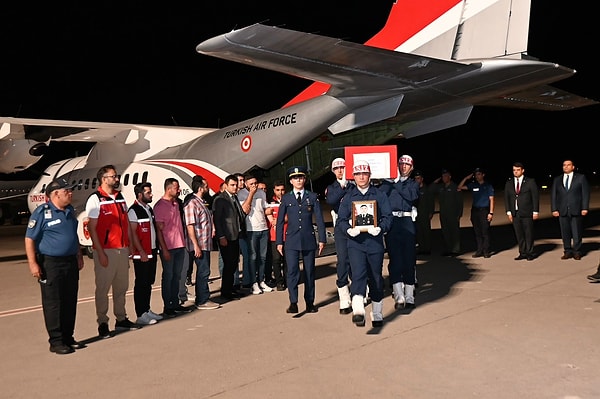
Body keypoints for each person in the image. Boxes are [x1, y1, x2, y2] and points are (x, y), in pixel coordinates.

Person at [25, 178, 85, 354]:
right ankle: (56, 341)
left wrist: (78, 254)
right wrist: (33, 263)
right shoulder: (41, 213)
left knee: (70, 300)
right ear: (55, 194)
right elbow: (29, 238)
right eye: (67, 191)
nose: (71, 193)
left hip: (70, 262)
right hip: (51, 263)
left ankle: (68, 337)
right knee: (53, 302)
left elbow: (73, 235)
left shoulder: (69, 211)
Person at [85, 165, 141, 338]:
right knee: (103, 289)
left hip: (122, 249)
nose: (117, 179)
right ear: (104, 179)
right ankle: (102, 322)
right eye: (114, 176)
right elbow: (92, 229)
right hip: (107, 251)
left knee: (121, 287)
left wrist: (129, 245)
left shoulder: (120, 197)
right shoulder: (95, 199)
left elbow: (124, 223)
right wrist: (100, 252)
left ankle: (121, 318)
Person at [338, 160, 392, 327]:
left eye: (365, 173)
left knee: (375, 278)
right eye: (358, 174)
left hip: (374, 243)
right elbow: (341, 219)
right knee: (358, 274)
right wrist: (348, 229)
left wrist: (381, 228)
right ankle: (358, 309)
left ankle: (377, 312)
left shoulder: (379, 195)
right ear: (353, 177)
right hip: (356, 243)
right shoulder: (349, 197)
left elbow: (388, 217)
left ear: (369, 176)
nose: (362, 177)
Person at [276, 166, 326, 314]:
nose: (298, 180)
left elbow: (320, 219)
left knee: (309, 272)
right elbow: (279, 222)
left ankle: (310, 302)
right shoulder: (286, 198)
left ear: (304, 179)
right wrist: (279, 241)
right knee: (292, 271)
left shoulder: (312, 197)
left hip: (308, 239)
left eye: (301, 177)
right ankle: (293, 302)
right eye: (295, 178)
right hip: (291, 240)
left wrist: (322, 239)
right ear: (291, 181)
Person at [379, 155, 420, 310]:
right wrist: (389, 181)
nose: (403, 167)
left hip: (407, 222)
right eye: (401, 164)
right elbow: (379, 196)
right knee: (395, 260)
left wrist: (396, 182)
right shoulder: (386, 184)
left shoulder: (413, 184)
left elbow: (411, 196)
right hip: (393, 223)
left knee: (409, 259)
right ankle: (399, 295)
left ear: (411, 168)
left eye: (407, 164)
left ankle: (409, 295)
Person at [154, 178, 193, 316]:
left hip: (180, 245)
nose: (179, 190)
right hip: (169, 247)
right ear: (169, 189)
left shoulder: (176, 204)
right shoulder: (159, 206)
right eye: (176, 187)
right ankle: (168, 305)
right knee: (168, 276)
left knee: (177, 276)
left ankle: (175, 303)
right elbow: (159, 230)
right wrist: (164, 249)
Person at [128, 182, 164, 325]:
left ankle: (147, 309)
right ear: (140, 194)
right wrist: (141, 251)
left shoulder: (149, 208)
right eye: (148, 192)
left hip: (152, 250)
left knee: (149, 281)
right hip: (141, 253)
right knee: (141, 282)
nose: (151, 195)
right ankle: (140, 314)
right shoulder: (133, 211)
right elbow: (132, 233)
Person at [184, 175, 220, 310]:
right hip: (198, 244)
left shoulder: (201, 202)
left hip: (205, 242)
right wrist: (196, 245)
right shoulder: (192, 203)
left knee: (204, 271)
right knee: (203, 271)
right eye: (205, 186)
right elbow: (190, 225)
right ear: (200, 188)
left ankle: (203, 297)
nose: (208, 188)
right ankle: (202, 300)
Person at [325, 157, 354, 314]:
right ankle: (344, 295)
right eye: (337, 168)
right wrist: (343, 186)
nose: (340, 170)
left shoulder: (354, 184)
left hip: (356, 226)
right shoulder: (332, 187)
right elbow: (331, 200)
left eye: (342, 167)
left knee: (358, 259)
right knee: (343, 261)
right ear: (333, 171)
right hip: (341, 228)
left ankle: (359, 290)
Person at [213, 174, 247, 301]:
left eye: (236, 185)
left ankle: (231, 288)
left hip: (235, 234)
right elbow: (218, 219)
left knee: (233, 264)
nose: (235, 187)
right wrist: (221, 236)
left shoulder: (234, 197)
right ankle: (225, 292)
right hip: (226, 236)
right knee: (228, 265)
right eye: (232, 185)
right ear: (226, 185)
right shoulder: (220, 199)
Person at [238, 174, 272, 294]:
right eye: (251, 184)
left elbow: (265, 208)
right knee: (253, 257)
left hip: (263, 228)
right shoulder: (241, 194)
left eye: (255, 183)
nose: (254, 186)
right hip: (251, 229)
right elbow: (244, 210)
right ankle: (253, 283)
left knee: (262, 257)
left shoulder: (261, 193)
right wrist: (251, 194)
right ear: (246, 184)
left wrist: (272, 211)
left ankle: (261, 280)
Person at [551, 159, 590, 260]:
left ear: (573, 167)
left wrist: (585, 207)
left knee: (576, 232)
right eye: (564, 165)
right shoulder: (557, 179)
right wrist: (554, 209)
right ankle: (567, 251)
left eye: (568, 165)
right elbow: (554, 195)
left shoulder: (580, 178)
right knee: (565, 232)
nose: (566, 167)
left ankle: (577, 251)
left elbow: (585, 194)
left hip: (576, 209)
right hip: (562, 210)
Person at [504, 161, 539, 261]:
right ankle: (522, 252)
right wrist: (509, 212)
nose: (516, 172)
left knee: (528, 233)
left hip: (527, 212)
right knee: (519, 234)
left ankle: (530, 252)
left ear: (522, 171)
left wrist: (535, 211)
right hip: (515, 213)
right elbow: (506, 198)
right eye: (514, 170)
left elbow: (535, 197)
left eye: (518, 170)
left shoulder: (530, 181)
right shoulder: (509, 183)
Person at [458, 168, 495, 258]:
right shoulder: (473, 185)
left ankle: (486, 251)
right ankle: (479, 250)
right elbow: (459, 188)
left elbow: (492, 199)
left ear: (483, 175)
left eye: (479, 174)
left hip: (484, 210)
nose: (477, 176)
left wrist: (491, 213)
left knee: (485, 232)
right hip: (475, 211)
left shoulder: (488, 186)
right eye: (476, 174)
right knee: (477, 232)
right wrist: (466, 178)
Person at [432, 169, 463, 256]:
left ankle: (456, 250)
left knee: (454, 232)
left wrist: (459, 214)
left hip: (453, 213)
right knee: (445, 232)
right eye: (443, 176)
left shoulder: (455, 187)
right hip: (443, 214)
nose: (444, 178)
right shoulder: (441, 187)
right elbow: (431, 189)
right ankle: (448, 249)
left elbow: (460, 201)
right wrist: (436, 181)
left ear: (450, 177)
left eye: (446, 176)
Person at [265, 180, 288, 291]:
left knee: (288, 259)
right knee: (276, 259)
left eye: (282, 190)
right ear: (274, 190)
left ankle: (288, 280)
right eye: (278, 190)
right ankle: (279, 282)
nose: (280, 192)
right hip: (274, 235)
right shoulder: (269, 202)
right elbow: (266, 214)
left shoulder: (289, 199)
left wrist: (279, 220)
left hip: (288, 234)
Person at [413, 170, 434, 255]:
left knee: (426, 231)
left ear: (422, 179)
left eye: (418, 178)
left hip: (425, 213)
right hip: (417, 214)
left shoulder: (427, 189)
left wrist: (431, 212)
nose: (417, 180)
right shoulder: (414, 190)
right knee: (419, 232)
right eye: (415, 179)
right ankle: (421, 248)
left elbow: (431, 202)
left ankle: (427, 248)